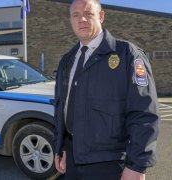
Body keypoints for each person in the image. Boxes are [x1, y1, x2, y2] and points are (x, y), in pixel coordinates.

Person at [53, 0, 160, 179]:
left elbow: (145, 112)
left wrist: (137, 165)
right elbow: (61, 109)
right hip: (71, 159)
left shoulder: (127, 54)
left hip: (110, 163)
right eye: (76, 15)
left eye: (88, 13)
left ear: (101, 16)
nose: (82, 20)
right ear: (71, 20)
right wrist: (60, 147)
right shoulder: (67, 61)